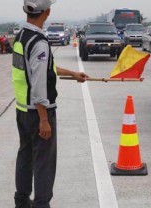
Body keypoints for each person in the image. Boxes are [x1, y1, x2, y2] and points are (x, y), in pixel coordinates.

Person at [12, 0, 89, 207]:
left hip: (22, 110)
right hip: (38, 113)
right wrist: (44, 119)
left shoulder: (21, 37)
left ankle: (21, 200)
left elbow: (43, 69)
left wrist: (72, 73)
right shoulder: (39, 42)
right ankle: (41, 204)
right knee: (44, 163)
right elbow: (38, 85)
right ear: (47, 12)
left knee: (25, 155)